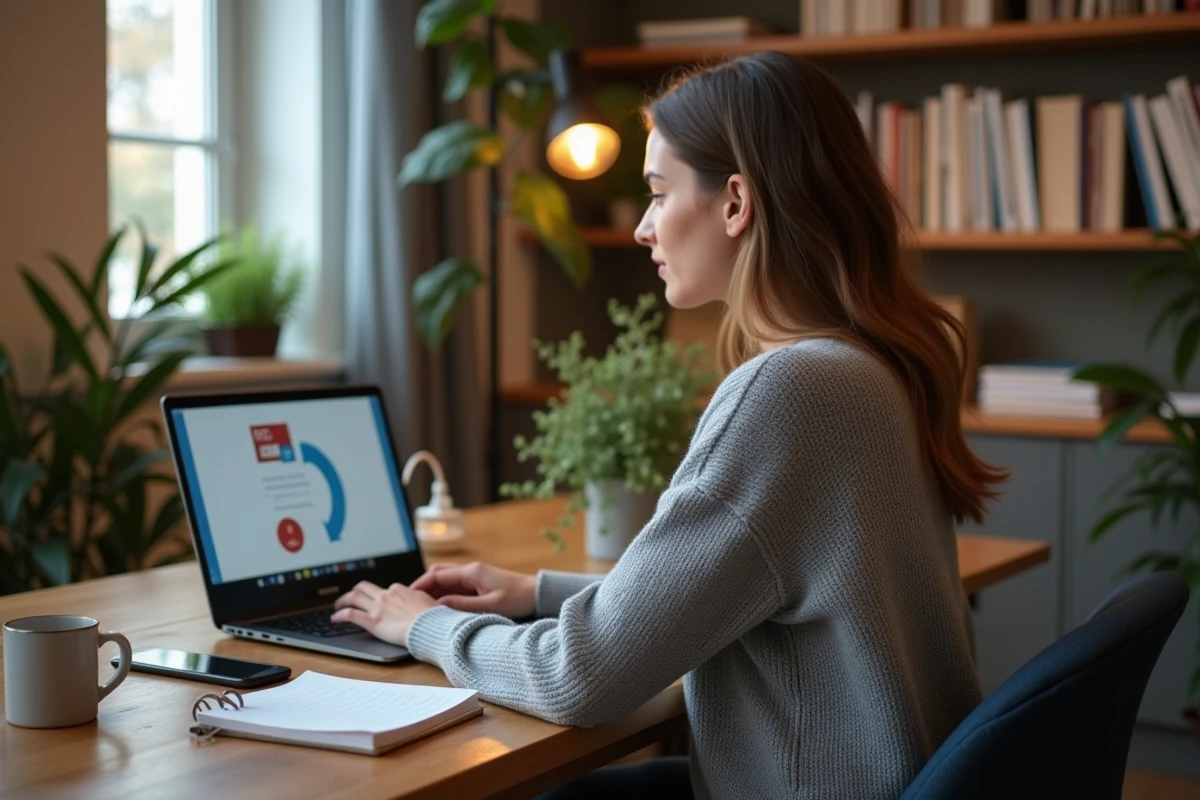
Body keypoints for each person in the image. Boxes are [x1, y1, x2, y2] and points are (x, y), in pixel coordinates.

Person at [331, 51, 1006, 799]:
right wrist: (540, 592)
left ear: (736, 203)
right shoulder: (874, 367)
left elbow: (577, 681)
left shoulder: (790, 390)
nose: (645, 229)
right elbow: (751, 585)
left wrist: (420, 625)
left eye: (658, 194)